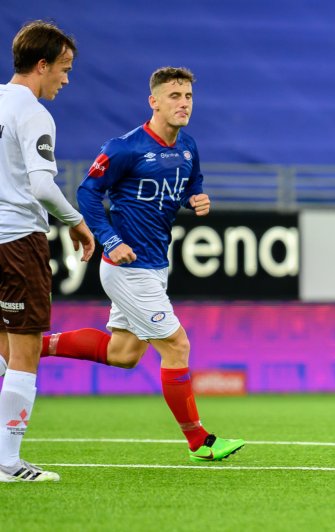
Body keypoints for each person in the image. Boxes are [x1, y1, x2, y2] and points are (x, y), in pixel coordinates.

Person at [31, 67, 244, 463]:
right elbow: (88, 193)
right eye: (175, 96)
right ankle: (200, 441)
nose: (183, 103)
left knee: (124, 353)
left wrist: (197, 199)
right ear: (154, 102)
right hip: (127, 266)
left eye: (188, 97)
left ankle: (32, 346)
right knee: (177, 345)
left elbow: (191, 183)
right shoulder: (124, 147)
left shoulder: (188, 147)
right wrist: (111, 240)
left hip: (154, 265)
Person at [0, 20, 95, 482]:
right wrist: (76, 222)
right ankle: (7, 461)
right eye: (63, 68)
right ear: (42, 65)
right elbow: (40, 185)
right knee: (25, 349)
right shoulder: (33, 112)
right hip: (17, 240)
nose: (66, 78)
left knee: (2, 347)